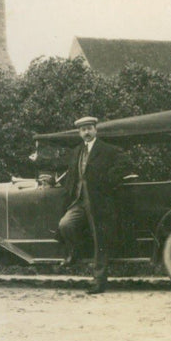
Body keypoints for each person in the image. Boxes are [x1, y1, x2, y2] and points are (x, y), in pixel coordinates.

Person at [56, 116, 129, 294]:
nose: (86, 132)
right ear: (79, 133)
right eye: (83, 130)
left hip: (99, 202)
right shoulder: (77, 151)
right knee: (65, 225)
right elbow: (69, 172)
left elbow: (126, 164)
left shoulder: (107, 149)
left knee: (100, 240)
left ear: (96, 130)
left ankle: (99, 282)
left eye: (89, 128)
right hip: (79, 200)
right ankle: (77, 251)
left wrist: (106, 181)